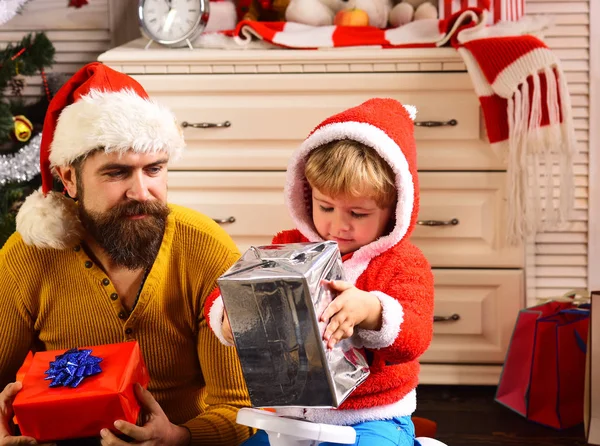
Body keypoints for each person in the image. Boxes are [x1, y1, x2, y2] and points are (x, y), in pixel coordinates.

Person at [0, 62, 252, 446]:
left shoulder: (205, 248)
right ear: (68, 178)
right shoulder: (28, 255)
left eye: (154, 169)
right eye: (117, 173)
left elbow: (240, 406)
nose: (141, 191)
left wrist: (178, 438)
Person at [205, 98, 435, 445]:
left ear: (393, 210)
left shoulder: (402, 262)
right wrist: (230, 316)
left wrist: (372, 310)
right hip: (291, 417)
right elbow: (235, 286)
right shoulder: (289, 244)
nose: (337, 225)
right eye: (326, 207)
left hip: (370, 416)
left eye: (358, 213)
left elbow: (414, 336)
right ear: (307, 194)